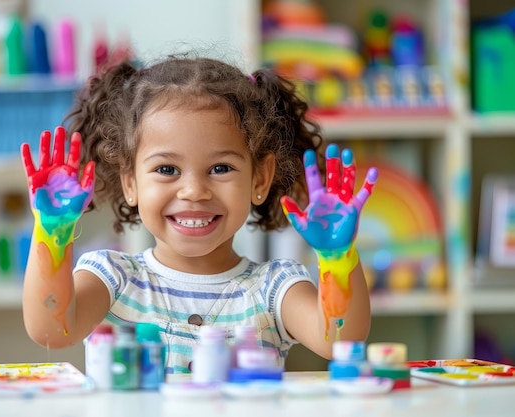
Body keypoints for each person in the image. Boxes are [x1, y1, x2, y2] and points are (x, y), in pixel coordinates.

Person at [20, 55, 378, 375]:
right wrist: (52, 232)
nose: (193, 191)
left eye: (220, 168)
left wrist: (337, 257)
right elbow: (51, 331)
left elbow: (340, 341)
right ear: (131, 182)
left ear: (260, 178)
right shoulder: (113, 280)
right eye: (167, 169)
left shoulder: (274, 288)